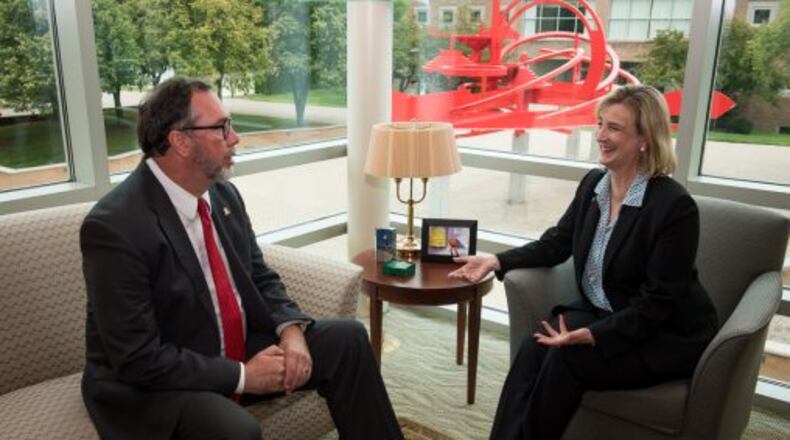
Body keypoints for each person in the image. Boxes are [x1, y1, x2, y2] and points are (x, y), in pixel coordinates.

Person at [80, 77, 404, 440]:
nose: (235, 138)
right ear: (181, 141)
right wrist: (243, 376)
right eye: (222, 128)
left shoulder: (222, 195)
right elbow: (138, 358)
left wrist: (292, 330)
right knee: (236, 431)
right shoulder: (116, 227)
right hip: (156, 382)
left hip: (225, 344)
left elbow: (259, 275)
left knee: (348, 339)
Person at [449, 85, 718, 439]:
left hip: (662, 332)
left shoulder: (673, 207)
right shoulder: (595, 184)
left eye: (615, 128)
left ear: (645, 139)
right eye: (600, 124)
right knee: (535, 345)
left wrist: (592, 335)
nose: (601, 136)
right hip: (607, 310)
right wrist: (496, 260)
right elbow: (557, 243)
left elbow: (658, 304)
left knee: (566, 358)